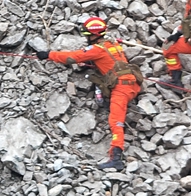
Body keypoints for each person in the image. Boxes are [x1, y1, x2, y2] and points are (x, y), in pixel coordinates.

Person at [46, 17, 143, 172]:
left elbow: (72, 57)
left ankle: (116, 157)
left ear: (93, 35)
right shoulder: (113, 44)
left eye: (87, 35)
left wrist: (49, 54)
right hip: (133, 84)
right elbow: (107, 61)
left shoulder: (96, 49)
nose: (86, 38)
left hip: (121, 88)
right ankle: (106, 101)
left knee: (116, 121)